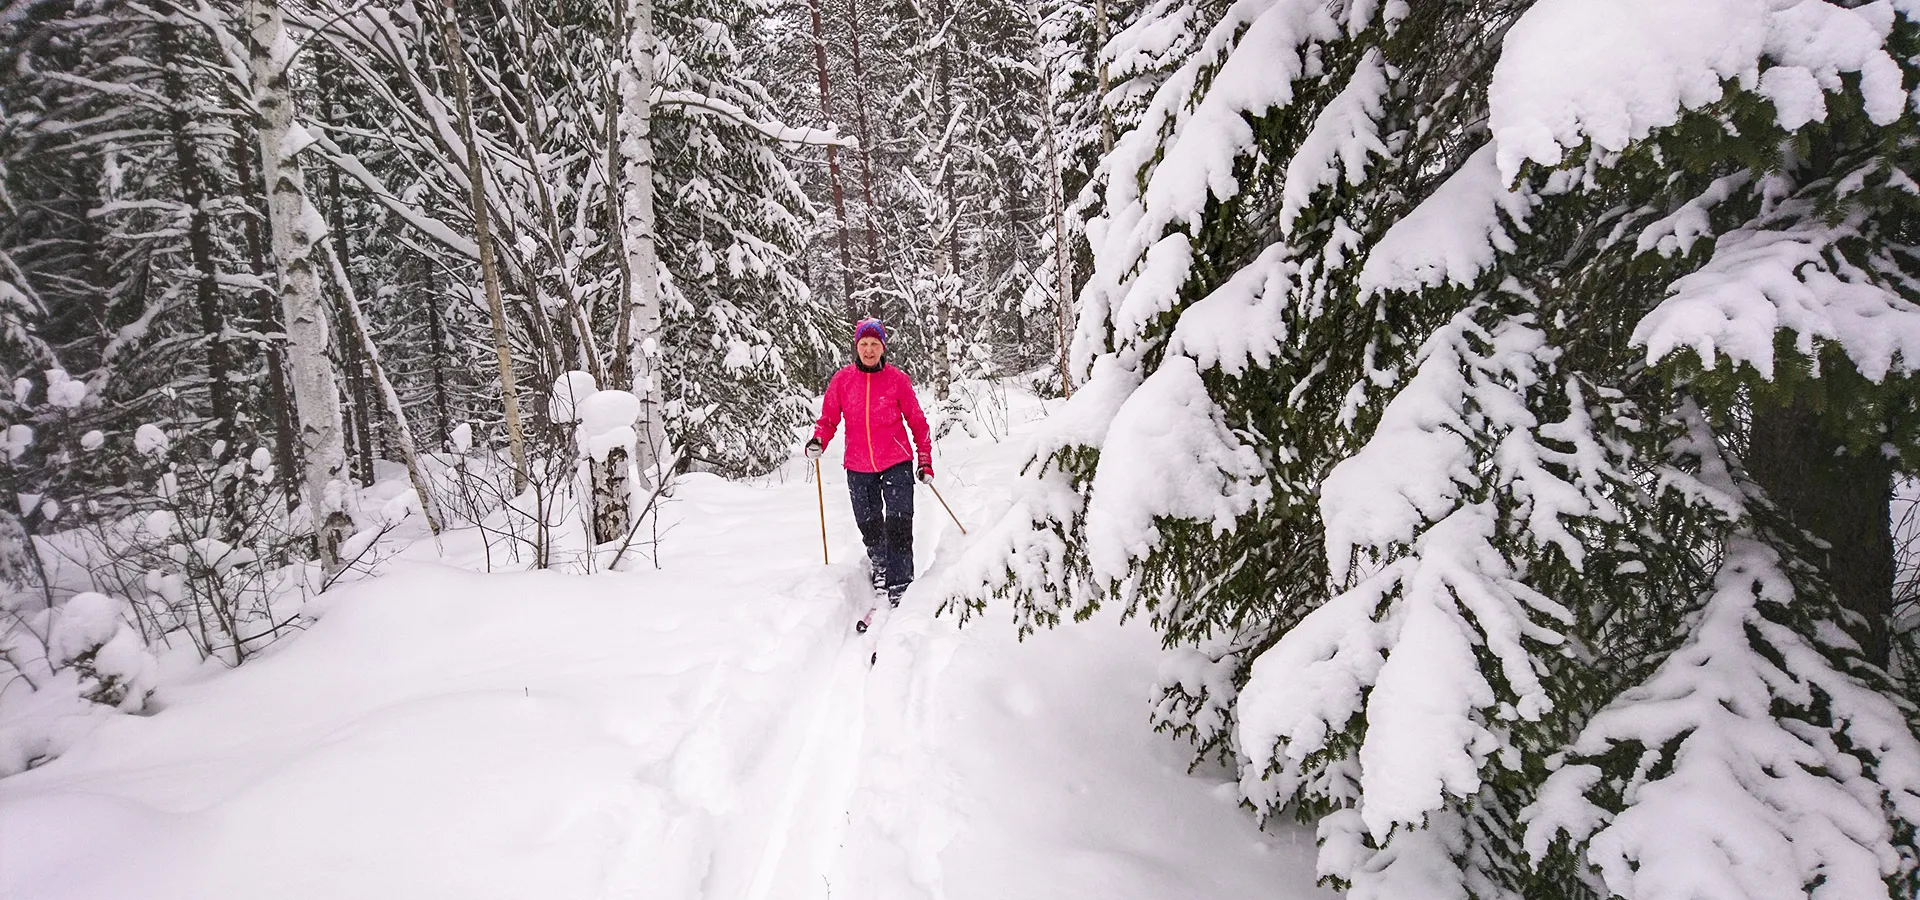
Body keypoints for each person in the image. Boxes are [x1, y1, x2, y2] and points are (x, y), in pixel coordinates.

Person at [805, 318, 933, 607]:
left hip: (896, 460)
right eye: (864, 343)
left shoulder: (897, 380)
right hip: (858, 464)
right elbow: (828, 420)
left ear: (883, 347)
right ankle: (881, 565)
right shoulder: (843, 381)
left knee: (899, 524)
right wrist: (818, 440)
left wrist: (924, 459)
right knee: (869, 524)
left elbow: (917, 422)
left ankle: (900, 582)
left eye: (875, 343)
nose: (869, 349)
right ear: (857, 346)